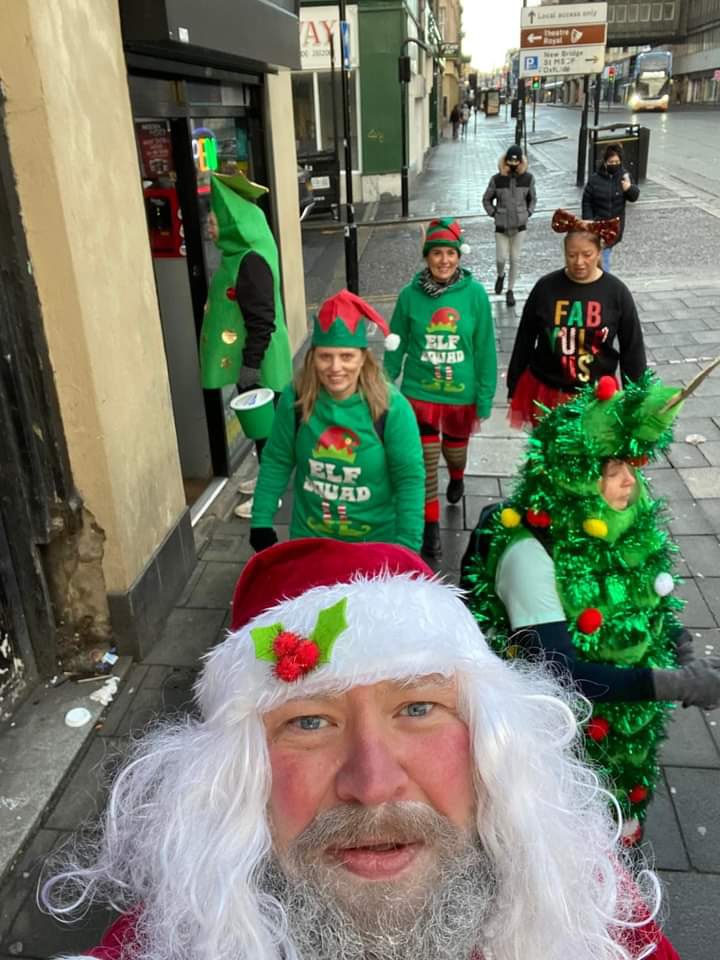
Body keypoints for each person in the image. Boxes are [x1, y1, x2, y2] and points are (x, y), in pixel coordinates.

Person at [43, 537, 679, 960]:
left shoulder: (591, 915)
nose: (372, 784)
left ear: (492, 743)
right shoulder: (174, 938)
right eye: (310, 723)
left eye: (418, 709)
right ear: (236, 778)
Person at [462, 372, 720, 845]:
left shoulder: (619, 524)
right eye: (613, 468)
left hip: (625, 736)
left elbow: (641, 603)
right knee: (567, 847)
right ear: (577, 480)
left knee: (620, 827)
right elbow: (561, 675)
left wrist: (681, 646)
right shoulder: (531, 557)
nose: (630, 481)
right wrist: (677, 683)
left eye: (633, 466)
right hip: (560, 746)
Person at [249, 290, 424, 552]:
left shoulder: (392, 408)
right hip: (309, 543)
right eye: (325, 356)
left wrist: (407, 547)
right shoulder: (295, 399)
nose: (335, 367)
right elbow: (277, 459)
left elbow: (409, 479)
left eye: (346, 356)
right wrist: (261, 520)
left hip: (374, 546)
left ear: (363, 358)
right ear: (312, 357)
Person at [384, 218, 496, 559]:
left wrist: (485, 394)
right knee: (425, 462)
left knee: (454, 454)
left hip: (461, 397)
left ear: (458, 256)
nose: (443, 260)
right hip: (420, 395)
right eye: (436, 254)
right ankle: (430, 527)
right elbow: (397, 343)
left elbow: (485, 347)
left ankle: (458, 476)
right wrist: (384, 384)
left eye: (450, 253)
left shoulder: (474, 295)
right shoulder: (409, 296)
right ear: (426, 257)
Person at [199, 172, 293, 519]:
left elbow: (261, 318)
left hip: (260, 361)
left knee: (265, 430)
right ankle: (267, 478)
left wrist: (250, 366)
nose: (209, 229)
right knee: (260, 428)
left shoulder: (250, 262)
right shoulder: (243, 252)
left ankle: (268, 498)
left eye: (212, 222)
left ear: (231, 224)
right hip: (259, 358)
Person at [506, 209, 647, 430]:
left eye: (587, 254)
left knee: (593, 459)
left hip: (598, 395)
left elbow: (632, 348)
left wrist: (636, 397)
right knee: (549, 458)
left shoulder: (616, 292)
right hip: (548, 391)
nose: (579, 262)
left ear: (599, 252)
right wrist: (513, 383)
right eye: (572, 255)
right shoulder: (545, 287)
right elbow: (525, 337)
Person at [482, 144, 537, 308]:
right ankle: (500, 275)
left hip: (520, 226)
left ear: (521, 161)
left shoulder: (528, 178)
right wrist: (494, 213)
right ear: (506, 161)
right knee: (501, 258)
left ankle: (510, 290)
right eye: (510, 161)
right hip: (502, 227)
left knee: (515, 258)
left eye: (516, 161)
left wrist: (528, 213)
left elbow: (533, 198)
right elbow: (486, 199)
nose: (513, 164)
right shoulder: (497, 179)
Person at [582, 142, 640, 273]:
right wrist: (588, 220)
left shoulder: (624, 177)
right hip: (596, 225)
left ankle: (602, 284)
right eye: (611, 162)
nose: (614, 164)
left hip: (613, 227)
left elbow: (634, 196)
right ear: (605, 162)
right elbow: (587, 201)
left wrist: (628, 188)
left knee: (604, 257)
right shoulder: (595, 179)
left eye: (617, 162)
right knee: (596, 257)